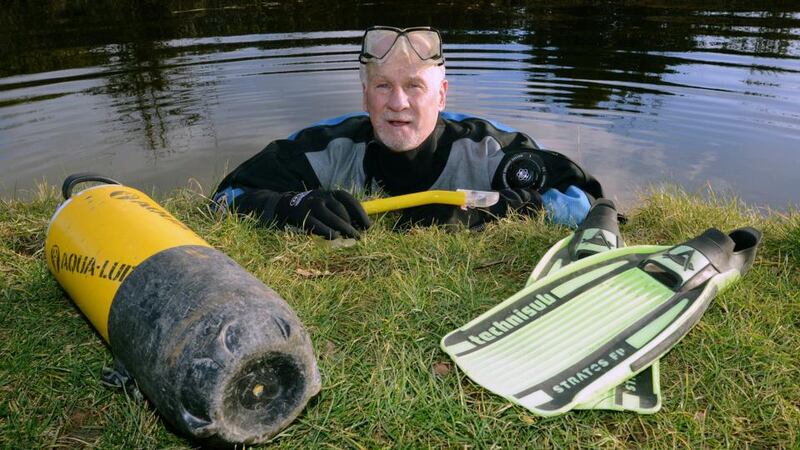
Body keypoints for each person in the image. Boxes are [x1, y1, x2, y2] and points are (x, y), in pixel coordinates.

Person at [213, 26, 603, 239]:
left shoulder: (490, 149)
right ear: (365, 96)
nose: (397, 103)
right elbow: (224, 199)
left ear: (442, 94)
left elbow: (589, 200)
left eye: (414, 86)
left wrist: (512, 208)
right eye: (383, 86)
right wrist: (289, 208)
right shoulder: (324, 148)